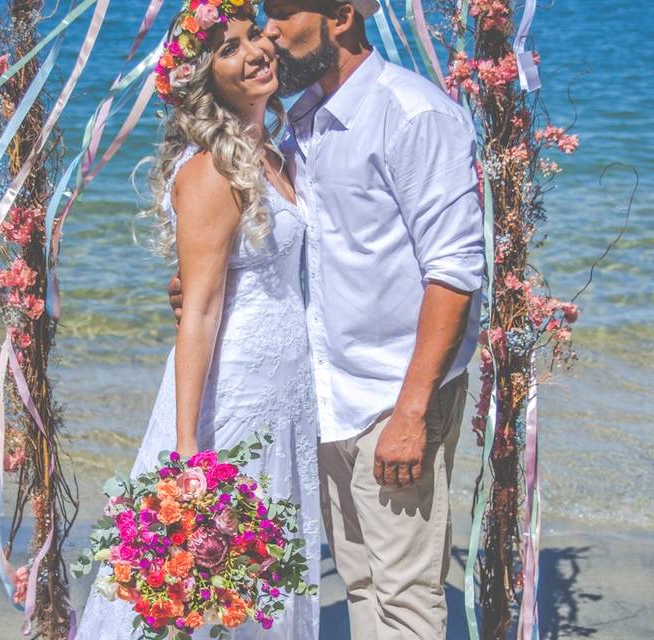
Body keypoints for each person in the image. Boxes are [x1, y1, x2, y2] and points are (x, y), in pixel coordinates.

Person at [170, 1, 484, 638]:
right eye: (264, 18)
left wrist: (413, 412)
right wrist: (208, 279)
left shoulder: (412, 115)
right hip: (324, 395)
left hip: (393, 398)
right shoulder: (301, 124)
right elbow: (300, 249)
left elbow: (454, 272)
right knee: (360, 580)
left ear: (340, 17)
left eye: (283, 15)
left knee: (403, 598)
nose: (270, 36)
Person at [76, 3, 320, 639]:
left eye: (253, 37)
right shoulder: (213, 168)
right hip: (235, 389)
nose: (255, 53)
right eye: (230, 50)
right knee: (209, 578)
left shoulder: (273, 150)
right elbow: (202, 307)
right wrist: (187, 447)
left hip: (286, 391)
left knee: (259, 572)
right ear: (206, 80)